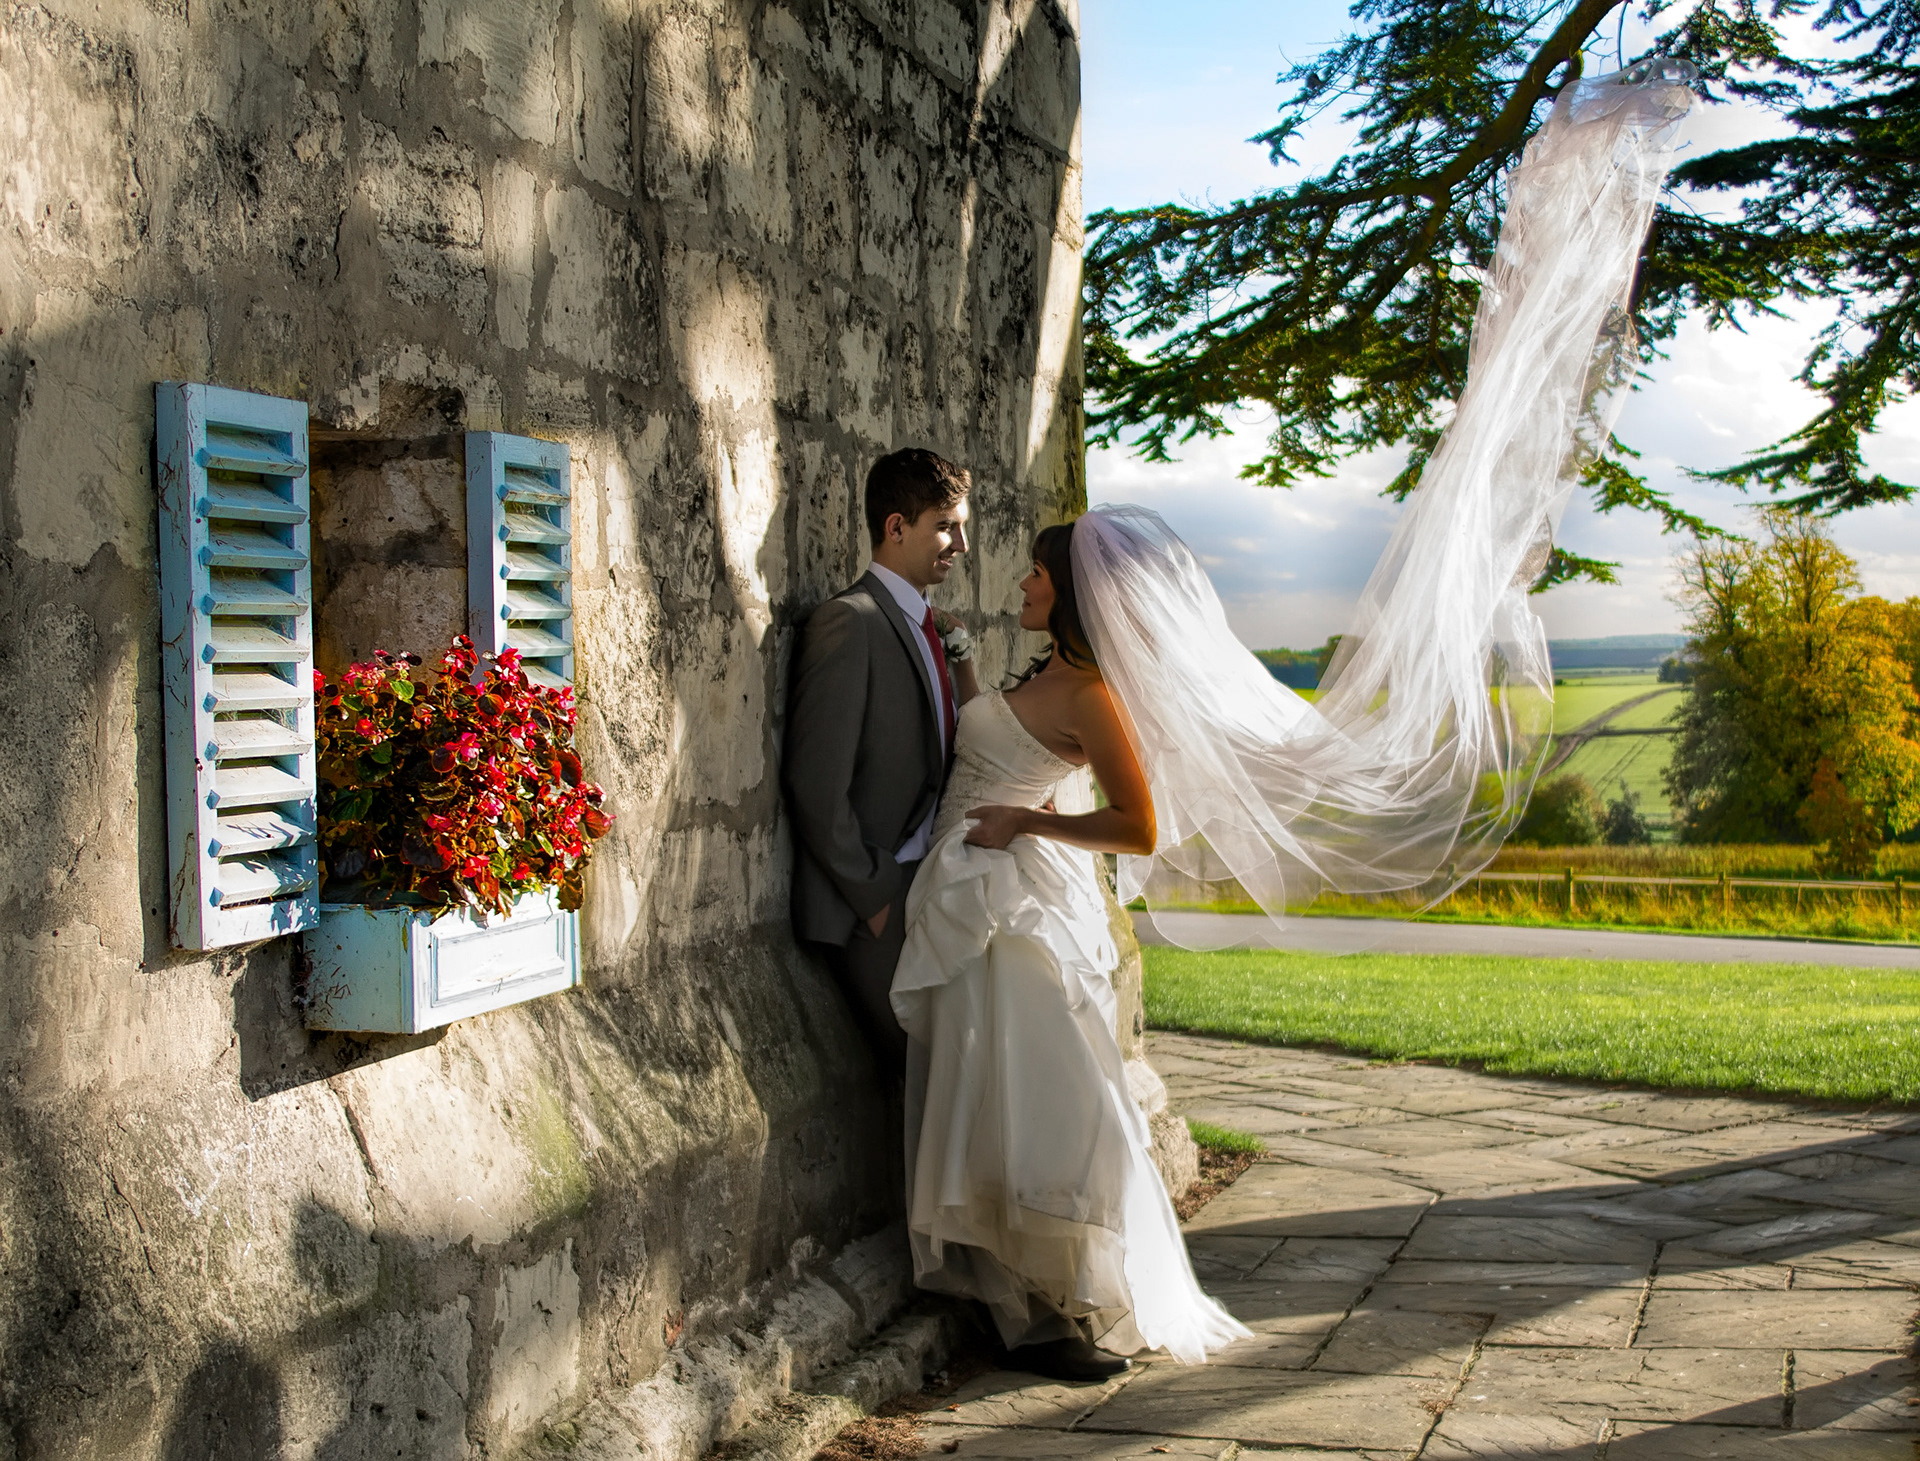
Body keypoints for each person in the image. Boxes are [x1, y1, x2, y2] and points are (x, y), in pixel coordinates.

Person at [886, 63, 1698, 1381]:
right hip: (995, 910)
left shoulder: (1092, 694)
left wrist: (1026, 823)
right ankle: (1024, 1301)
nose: (1019, 581)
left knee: (1052, 1118)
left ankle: (1074, 1305)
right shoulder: (1041, 670)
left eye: (1034, 572)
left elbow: (1140, 823)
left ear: (1072, 593)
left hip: (1023, 907)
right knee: (1001, 1112)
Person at [784, 448, 976, 1072]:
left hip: (933, 887)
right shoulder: (848, 622)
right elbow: (816, 785)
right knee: (927, 1073)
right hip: (877, 900)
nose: (962, 544)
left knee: (960, 1072)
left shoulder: (929, 626)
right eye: (946, 527)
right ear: (896, 527)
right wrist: (876, 897)